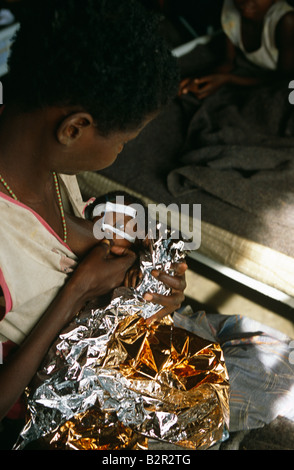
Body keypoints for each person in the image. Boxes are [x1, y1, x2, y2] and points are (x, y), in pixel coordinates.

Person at [0, 0, 187, 445]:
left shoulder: (29, 153)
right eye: (122, 143)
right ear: (73, 128)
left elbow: (53, 226)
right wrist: (78, 290)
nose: (120, 153)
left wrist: (115, 240)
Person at [179, 0, 294, 99]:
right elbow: (229, 61)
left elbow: (283, 80)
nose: (247, 1)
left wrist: (229, 79)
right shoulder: (232, 8)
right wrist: (199, 80)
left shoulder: (286, 22)